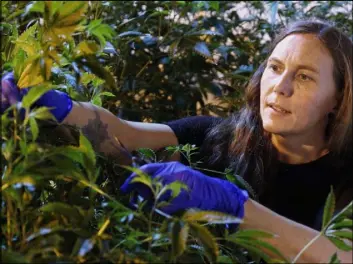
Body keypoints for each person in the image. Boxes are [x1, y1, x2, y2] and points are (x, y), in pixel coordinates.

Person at [1, 19, 352, 263]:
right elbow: (124, 136)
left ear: (337, 99)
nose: (281, 86)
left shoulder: (347, 177)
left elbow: (339, 257)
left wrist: (236, 208)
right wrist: (60, 107)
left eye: (304, 77)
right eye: (275, 68)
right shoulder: (218, 138)